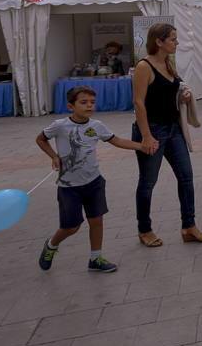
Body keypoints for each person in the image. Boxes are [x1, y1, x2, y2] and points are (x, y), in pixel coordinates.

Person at [36, 85, 151, 273]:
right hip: (69, 187)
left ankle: (95, 259)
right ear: (71, 106)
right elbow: (40, 139)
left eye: (92, 102)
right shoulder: (60, 125)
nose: (89, 106)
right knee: (71, 227)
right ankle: (51, 245)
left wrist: (141, 146)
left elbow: (117, 141)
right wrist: (54, 156)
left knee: (96, 221)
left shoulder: (96, 126)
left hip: (94, 183)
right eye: (83, 102)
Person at [131, 23, 202, 246]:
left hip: (173, 129)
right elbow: (138, 103)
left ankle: (189, 226)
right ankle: (144, 229)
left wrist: (182, 97)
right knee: (148, 182)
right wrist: (146, 136)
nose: (177, 43)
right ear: (159, 41)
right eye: (173, 39)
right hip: (152, 130)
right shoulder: (144, 66)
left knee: (186, 176)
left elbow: (168, 92)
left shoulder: (168, 63)